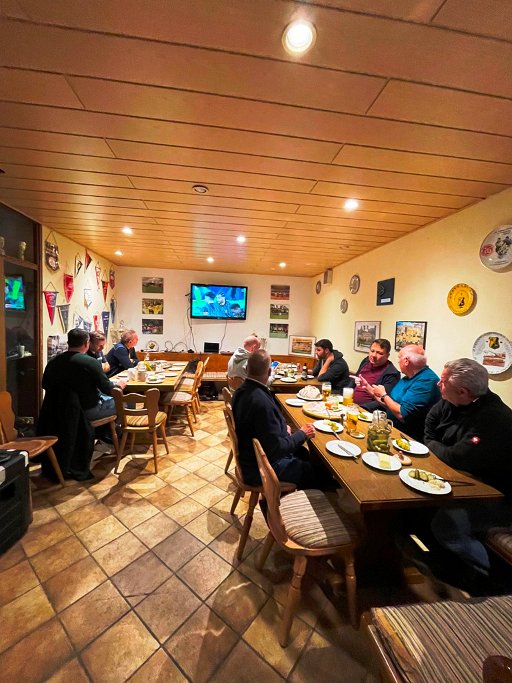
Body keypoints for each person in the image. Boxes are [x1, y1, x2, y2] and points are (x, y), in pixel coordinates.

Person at [425, 358, 512, 584]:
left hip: (499, 496)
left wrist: (430, 444)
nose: (438, 385)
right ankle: (441, 561)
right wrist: (433, 442)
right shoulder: (455, 401)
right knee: (421, 506)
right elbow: (431, 421)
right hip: (470, 480)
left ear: (463, 392)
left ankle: (490, 578)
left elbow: (456, 457)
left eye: (443, 381)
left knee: (446, 524)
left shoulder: (493, 418)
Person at [232, 350, 334, 489]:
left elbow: (261, 429)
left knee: (303, 453)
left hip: (249, 457)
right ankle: (327, 496)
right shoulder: (261, 402)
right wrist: (302, 433)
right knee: (315, 472)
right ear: (269, 372)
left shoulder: (240, 391)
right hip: (260, 468)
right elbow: (277, 449)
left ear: (247, 369)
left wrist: (282, 429)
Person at [38, 328, 126, 480]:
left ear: (69, 342)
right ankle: (109, 439)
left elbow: (45, 385)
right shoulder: (90, 362)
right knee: (123, 404)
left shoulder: (53, 362)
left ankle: (103, 437)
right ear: (86, 343)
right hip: (88, 410)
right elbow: (108, 388)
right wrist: (120, 385)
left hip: (57, 413)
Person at [364, 345, 440, 441]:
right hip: (390, 428)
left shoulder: (426, 381)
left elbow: (402, 415)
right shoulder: (407, 377)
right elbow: (390, 404)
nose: (398, 361)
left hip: (408, 438)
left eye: (399, 357)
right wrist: (370, 391)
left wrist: (383, 395)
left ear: (406, 361)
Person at [353, 338, 400, 411]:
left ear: (387, 355)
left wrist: (362, 408)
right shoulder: (366, 361)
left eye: (379, 353)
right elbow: (353, 382)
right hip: (351, 405)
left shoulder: (392, 373)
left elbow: (384, 402)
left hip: (367, 411)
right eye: (372, 351)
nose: (374, 355)